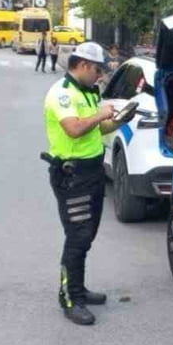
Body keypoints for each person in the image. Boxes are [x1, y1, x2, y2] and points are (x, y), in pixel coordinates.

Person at [43, 42, 133, 325]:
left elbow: (96, 128)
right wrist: (101, 113)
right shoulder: (63, 94)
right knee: (78, 237)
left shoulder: (87, 92)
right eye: (97, 70)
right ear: (82, 65)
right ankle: (71, 299)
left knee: (87, 235)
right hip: (72, 177)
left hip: (92, 173)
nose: (100, 76)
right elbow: (74, 129)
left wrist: (119, 120)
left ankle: (78, 288)